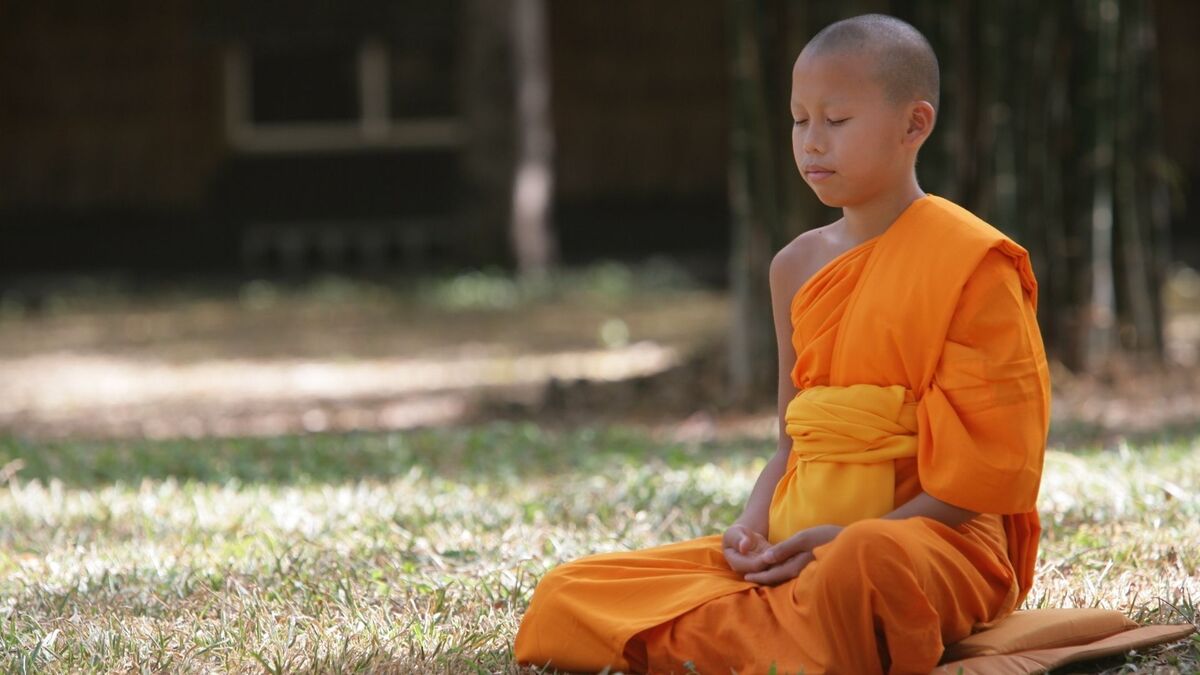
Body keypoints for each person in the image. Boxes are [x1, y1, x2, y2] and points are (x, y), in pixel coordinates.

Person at [514, 13, 1050, 674]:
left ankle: (792, 628)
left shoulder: (973, 263)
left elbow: (983, 480)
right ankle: (802, 634)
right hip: (796, 545)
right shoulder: (794, 266)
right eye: (799, 120)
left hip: (929, 545)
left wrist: (847, 538)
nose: (812, 144)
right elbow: (792, 441)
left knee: (860, 569)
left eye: (837, 120)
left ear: (915, 124)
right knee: (569, 591)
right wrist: (749, 528)